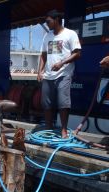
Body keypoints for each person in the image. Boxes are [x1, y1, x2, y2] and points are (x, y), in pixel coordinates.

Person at [37, 10, 81, 138]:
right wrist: (40, 71)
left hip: (64, 74)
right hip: (48, 75)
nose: (47, 23)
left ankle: (63, 130)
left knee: (63, 103)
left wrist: (62, 63)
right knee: (46, 103)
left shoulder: (70, 34)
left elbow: (78, 53)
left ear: (56, 20)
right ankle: (48, 127)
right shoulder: (47, 36)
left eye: (48, 21)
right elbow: (43, 55)